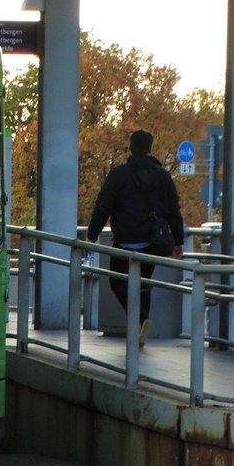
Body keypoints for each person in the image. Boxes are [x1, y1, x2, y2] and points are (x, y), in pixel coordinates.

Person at [87, 130, 185, 346]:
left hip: (126, 242)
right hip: (153, 242)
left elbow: (103, 206)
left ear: (131, 147)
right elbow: (173, 210)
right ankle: (140, 333)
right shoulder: (163, 176)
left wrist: (92, 235)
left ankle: (140, 320)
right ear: (150, 149)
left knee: (117, 281)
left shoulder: (119, 175)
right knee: (144, 284)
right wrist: (179, 240)